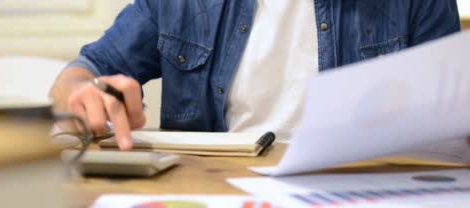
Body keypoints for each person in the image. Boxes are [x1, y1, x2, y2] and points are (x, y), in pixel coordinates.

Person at [50, 0, 461, 150]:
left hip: (361, 204)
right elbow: (79, 76)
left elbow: (453, 131)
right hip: (210, 205)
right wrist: (87, 96)